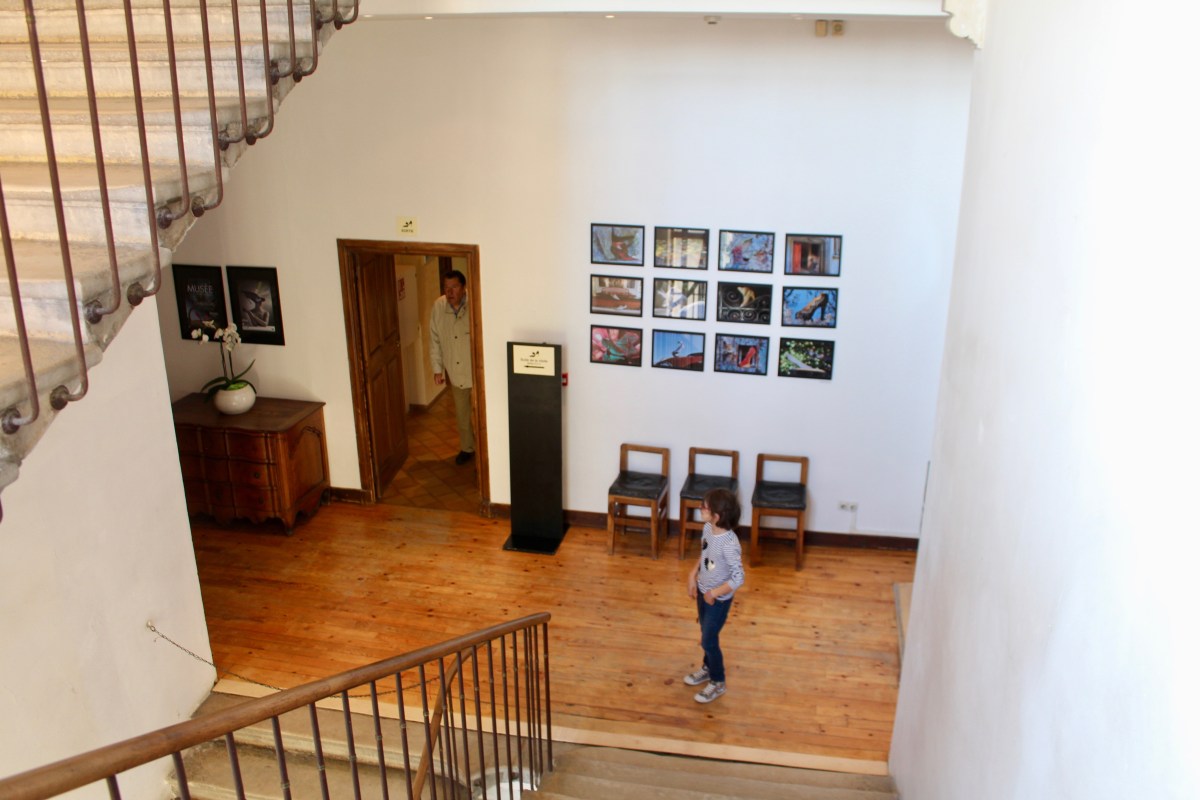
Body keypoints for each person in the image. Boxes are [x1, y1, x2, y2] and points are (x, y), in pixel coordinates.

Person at [683, 487, 746, 704]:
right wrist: (693, 574)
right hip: (703, 591)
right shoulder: (708, 529)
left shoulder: (729, 544)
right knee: (706, 634)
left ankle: (718, 681)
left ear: (717, 516)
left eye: (704, 507)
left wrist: (714, 594)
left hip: (717, 601)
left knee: (708, 640)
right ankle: (709, 668)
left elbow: (738, 578)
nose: (700, 508)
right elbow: (705, 554)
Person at [429, 270, 475, 465]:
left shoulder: (475, 303)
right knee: (462, 413)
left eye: (454, 287)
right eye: (446, 287)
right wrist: (437, 369)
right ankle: (468, 448)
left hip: (478, 370)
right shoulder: (438, 307)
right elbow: (434, 339)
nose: (450, 292)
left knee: (485, 412)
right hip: (456, 372)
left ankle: (489, 447)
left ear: (463, 287)